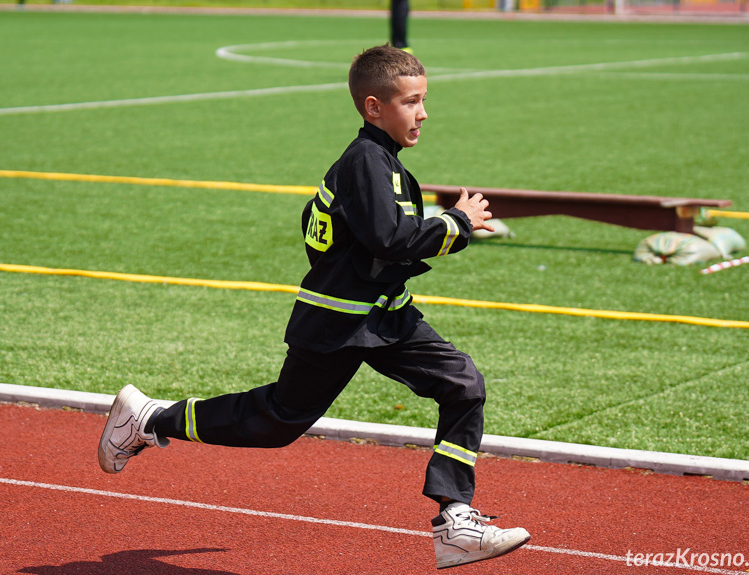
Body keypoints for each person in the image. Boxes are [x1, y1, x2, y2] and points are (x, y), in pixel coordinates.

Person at [98, 44, 531, 570]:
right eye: (411, 102)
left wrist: (441, 231)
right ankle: (150, 419)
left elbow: (349, 235)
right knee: (277, 422)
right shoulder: (366, 162)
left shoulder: (379, 164)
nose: (423, 113)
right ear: (374, 107)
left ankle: (455, 521)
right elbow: (389, 240)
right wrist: (456, 223)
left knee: (462, 384)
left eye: (424, 100)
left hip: (383, 315)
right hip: (337, 321)